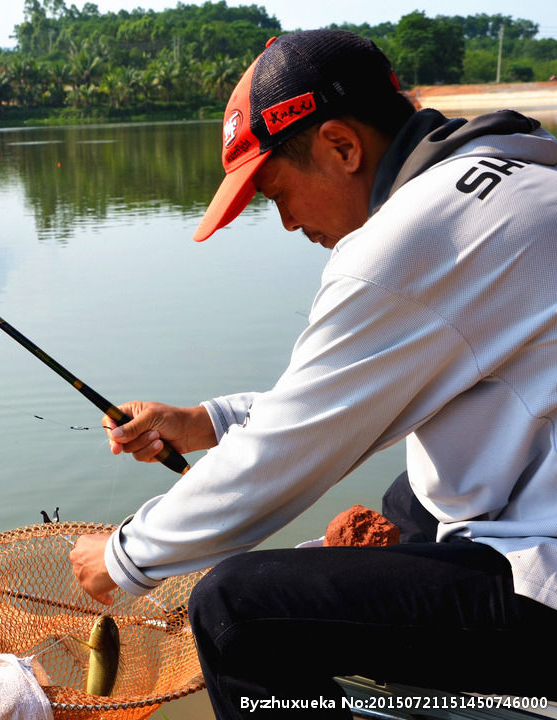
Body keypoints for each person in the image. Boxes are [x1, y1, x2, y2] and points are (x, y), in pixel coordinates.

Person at [69, 29, 557, 718]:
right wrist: (204, 422)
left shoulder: (409, 242)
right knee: (409, 496)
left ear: (341, 147)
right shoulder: (516, 172)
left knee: (236, 609)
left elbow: (288, 453)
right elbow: (352, 397)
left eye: (275, 192)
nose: (287, 223)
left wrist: (123, 556)